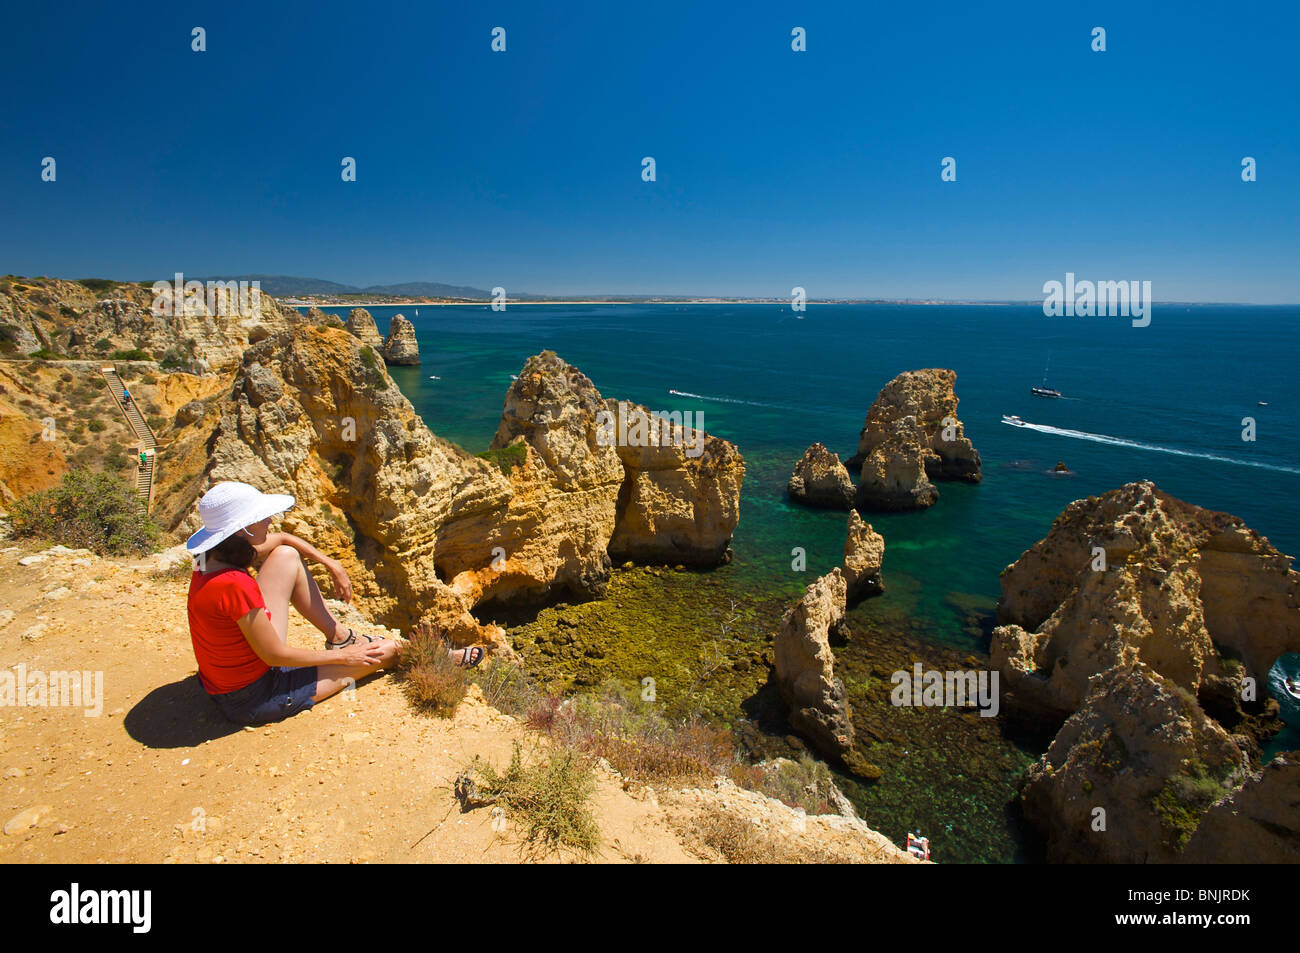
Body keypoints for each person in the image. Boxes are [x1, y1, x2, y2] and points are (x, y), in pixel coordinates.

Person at [185, 481, 483, 725]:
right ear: (243, 529)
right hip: (256, 696)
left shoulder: (211, 561)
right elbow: (274, 656)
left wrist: (330, 564)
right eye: (261, 518)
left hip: (230, 680)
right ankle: (441, 657)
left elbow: (283, 539)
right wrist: (346, 659)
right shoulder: (234, 585)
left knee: (286, 557)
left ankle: (339, 638)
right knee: (386, 650)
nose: (269, 521)